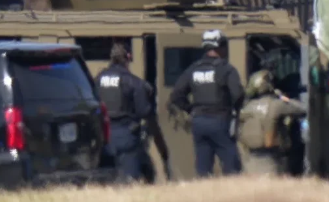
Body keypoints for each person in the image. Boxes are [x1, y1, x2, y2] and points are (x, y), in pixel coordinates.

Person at [169, 29, 245, 177]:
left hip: (199, 122)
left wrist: (191, 109)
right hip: (220, 120)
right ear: (221, 46)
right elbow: (238, 94)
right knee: (232, 166)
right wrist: (234, 110)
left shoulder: (193, 69)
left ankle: (203, 195)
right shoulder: (226, 69)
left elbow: (176, 95)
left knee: (203, 168)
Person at [95, 43, 154, 182]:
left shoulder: (97, 80)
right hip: (126, 133)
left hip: (104, 134)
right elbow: (144, 110)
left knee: (106, 180)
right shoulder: (133, 82)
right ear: (128, 57)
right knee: (130, 179)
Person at [237, 70, 307, 176]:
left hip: (251, 160)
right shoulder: (276, 105)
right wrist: (283, 97)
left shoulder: (247, 107)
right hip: (273, 159)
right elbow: (303, 109)